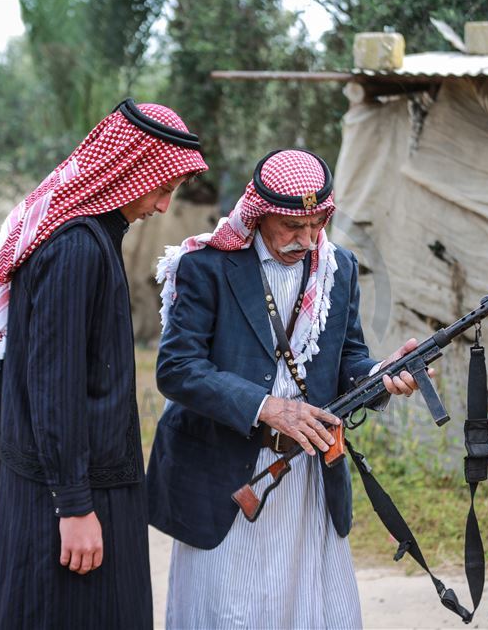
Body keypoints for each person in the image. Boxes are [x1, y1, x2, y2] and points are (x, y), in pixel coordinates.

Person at [148, 148, 429, 628]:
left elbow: (347, 361)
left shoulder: (338, 269)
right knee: (229, 610)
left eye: (318, 224)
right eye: (292, 227)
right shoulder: (208, 266)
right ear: (258, 215)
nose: (307, 239)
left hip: (303, 478)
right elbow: (177, 369)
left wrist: (382, 375)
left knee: (304, 609)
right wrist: (265, 407)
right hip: (224, 476)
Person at [0, 99, 207, 629]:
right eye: (163, 187)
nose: (165, 206)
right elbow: (55, 385)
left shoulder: (88, 238)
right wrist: (73, 506)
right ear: (129, 172)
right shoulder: (76, 247)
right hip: (70, 488)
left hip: (71, 477)